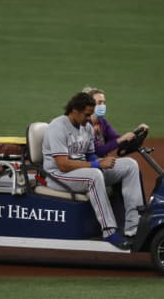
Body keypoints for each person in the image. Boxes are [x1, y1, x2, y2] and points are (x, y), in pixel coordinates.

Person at [42, 92, 144, 250]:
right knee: (94, 176)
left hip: (81, 171)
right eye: (87, 114)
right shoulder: (57, 126)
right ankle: (109, 231)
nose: (89, 118)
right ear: (75, 110)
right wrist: (97, 165)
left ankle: (133, 226)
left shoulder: (86, 127)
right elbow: (62, 164)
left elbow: (89, 154)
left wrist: (98, 160)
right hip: (58, 176)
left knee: (130, 165)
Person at [82, 86, 149, 157]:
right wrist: (120, 140)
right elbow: (98, 151)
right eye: (99, 103)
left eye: (104, 103)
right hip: (89, 164)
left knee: (131, 163)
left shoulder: (103, 122)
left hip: (102, 162)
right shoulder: (84, 125)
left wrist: (135, 133)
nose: (102, 106)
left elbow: (116, 139)